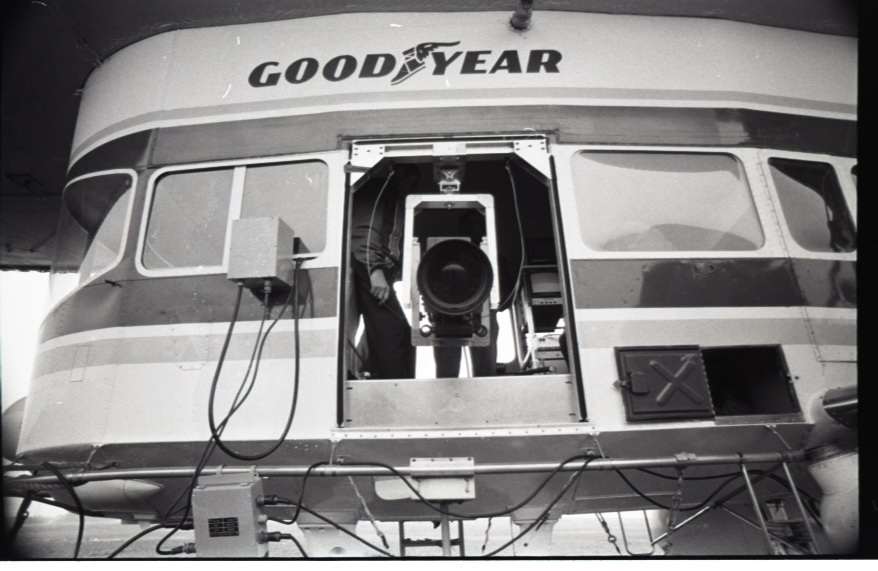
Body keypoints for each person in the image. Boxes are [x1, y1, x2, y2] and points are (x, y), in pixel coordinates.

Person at [349, 165, 419, 379]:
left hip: (379, 267)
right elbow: (364, 229)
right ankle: (393, 385)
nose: (412, 183)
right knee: (392, 330)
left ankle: (386, 378)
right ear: (395, 172)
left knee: (401, 333)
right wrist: (375, 269)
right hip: (366, 264)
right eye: (408, 175)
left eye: (415, 179)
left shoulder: (396, 200)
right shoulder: (378, 189)